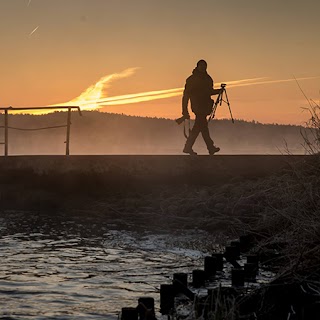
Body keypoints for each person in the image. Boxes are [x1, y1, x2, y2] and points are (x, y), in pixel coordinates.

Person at [181, 59, 220, 155]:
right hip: (197, 106)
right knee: (201, 126)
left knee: (201, 127)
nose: (203, 68)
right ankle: (209, 147)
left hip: (205, 106)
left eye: (204, 66)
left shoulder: (208, 79)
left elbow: (209, 92)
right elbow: (186, 95)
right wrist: (184, 110)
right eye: (201, 66)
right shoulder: (191, 79)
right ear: (197, 66)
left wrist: (218, 91)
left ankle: (189, 147)